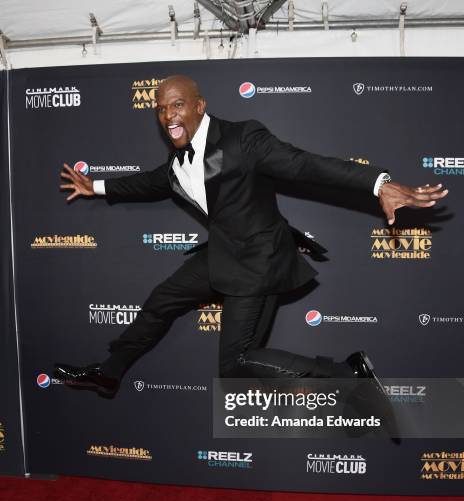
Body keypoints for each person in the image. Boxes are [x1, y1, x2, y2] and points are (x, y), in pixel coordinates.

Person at [54, 74, 447, 399]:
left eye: (176, 105)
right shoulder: (180, 160)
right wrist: (98, 187)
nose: (167, 114)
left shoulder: (243, 139)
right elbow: (152, 182)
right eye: (160, 108)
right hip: (224, 253)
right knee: (162, 300)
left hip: (258, 261)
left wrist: (377, 183)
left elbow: (305, 164)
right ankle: (110, 373)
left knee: (236, 365)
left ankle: (348, 374)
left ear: (199, 105)